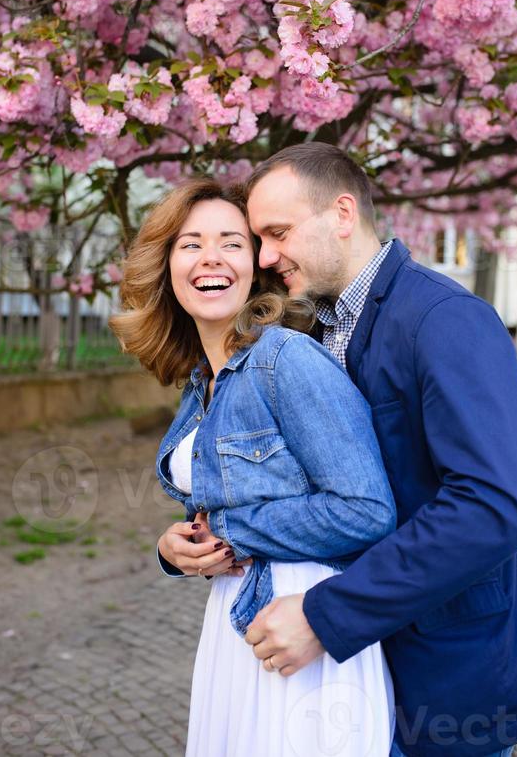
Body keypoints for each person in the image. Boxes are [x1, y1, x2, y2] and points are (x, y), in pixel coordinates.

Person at [231, 142, 517, 757]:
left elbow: (491, 509)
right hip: (347, 684)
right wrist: (211, 534)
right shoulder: (311, 329)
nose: (266, 257)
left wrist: (327, 615)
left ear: (343, 214)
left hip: (443, 681)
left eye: (277, 233)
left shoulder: (447, 318)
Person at [111, 178, 398, 757]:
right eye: (190, 244)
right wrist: (178, 548)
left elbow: (368, 509)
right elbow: (225, 500)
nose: (210, 258)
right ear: (165, 265)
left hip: (303, 626)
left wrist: (233, 530)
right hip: (237, 619)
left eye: (231, 243)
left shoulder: (285, 359)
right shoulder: (203, 380)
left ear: (256, 267)